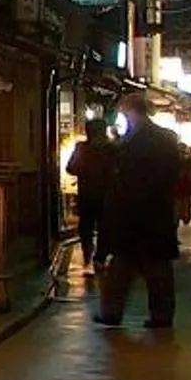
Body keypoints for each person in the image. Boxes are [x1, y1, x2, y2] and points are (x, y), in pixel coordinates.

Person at [98, 88, 186, 330]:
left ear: (130, 112)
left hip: (144, 211)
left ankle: (122, 313)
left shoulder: (145, 139)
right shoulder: (160, 138)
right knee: (132, 266)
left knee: (144, 266)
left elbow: (147, 175)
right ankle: (130, 313)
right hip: (148, 212)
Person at [65, 120, 116, 286]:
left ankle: (89, 255)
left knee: (86, 228)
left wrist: (84, 170)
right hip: (105, 196)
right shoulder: (111, 149)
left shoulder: (82, 148)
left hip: (87, 194)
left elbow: (71, 168)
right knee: (104, 228)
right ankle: (99, 258)